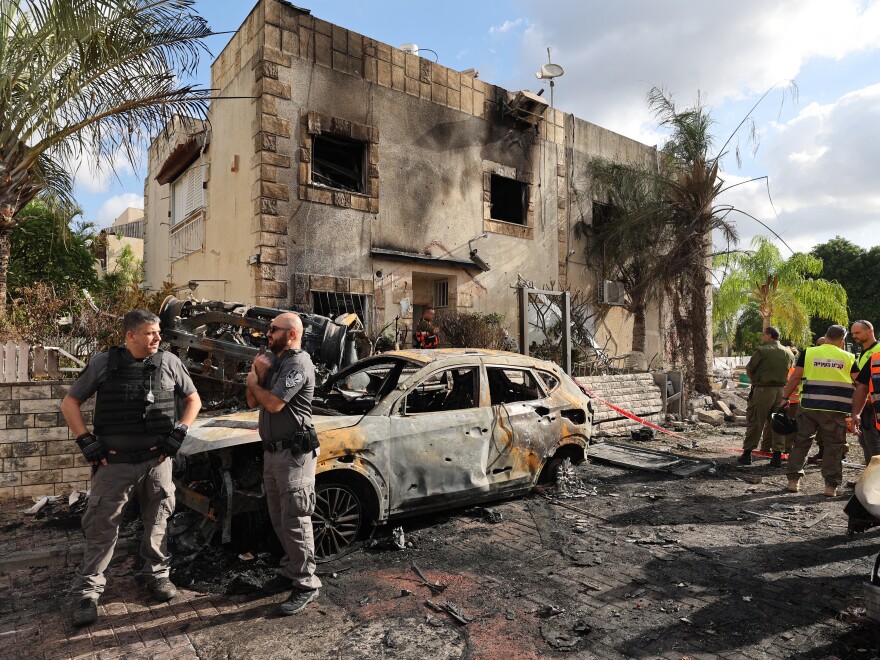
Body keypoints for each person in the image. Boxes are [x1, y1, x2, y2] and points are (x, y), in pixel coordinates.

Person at [60, 310, 201, 627]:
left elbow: (193, 399)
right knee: (102, 529)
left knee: (159, 521)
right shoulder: (104, 363)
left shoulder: (168, 362)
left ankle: (158, 575)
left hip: (157, 462)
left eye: (159, 332)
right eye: (151, 332)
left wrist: (179, 431)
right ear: (131, 336)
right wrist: (86, 441)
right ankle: (88, 593)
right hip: (114, 464)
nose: (158, 337)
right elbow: (70, 403)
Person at [246, 312, 322, 615]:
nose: (267, 333)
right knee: (280, 519)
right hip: (273, 454)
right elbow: (253, 401)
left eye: (272, 329)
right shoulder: (275, 362)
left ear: (291, 333)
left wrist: (254, 379)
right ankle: (292, 572)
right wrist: (258, 376)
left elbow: (274, 403)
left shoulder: (297, 363)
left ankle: (306, 583)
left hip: (294, 455)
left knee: (296, 520)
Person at [783, 325, 858, 496]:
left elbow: (795, 377)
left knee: (801, 442)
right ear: (842, 339)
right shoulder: (848, 357)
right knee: (834, 446)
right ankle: (830, 487)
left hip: (809, 405)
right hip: (835, 409)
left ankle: (793, 481)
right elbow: (858, 383)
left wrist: (784, 398)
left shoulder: (809, 353)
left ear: (826, 336)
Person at [739, 326, 794, 467]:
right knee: (777, 422)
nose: (762, 337)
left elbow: (749, 369)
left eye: (763, 335)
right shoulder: (788, 352)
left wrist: (753, 381)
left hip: (763, 390)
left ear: (769, 336)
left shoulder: (762, 351)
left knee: (756, 420)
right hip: (781, 391)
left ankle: (747, 454)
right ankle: (776, 456)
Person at [850, 320, 880, 463]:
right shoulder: (862, 353)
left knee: (874, 444)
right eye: (852, 333)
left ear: (870, 331)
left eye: (858, 332)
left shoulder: (877, 351)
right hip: (865, 405)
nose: (854, 336)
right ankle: (869, 477)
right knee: (865, 442)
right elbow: (861, 383)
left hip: (873, 405)